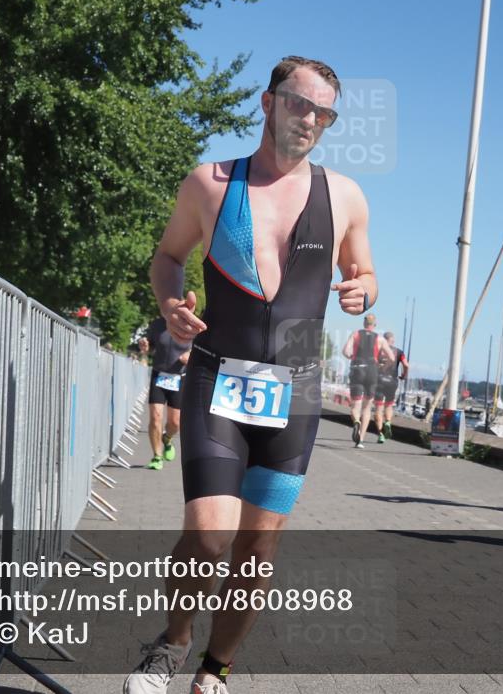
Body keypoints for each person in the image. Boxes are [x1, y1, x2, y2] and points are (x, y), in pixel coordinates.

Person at [127, 55, 377, 694]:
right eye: (299, 103)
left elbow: (364, 271)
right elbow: (167, 257)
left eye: (324, 114)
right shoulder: (209, 183)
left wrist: (364, 291)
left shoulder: (345, 196)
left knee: (257, 550)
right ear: (268, 102)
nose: (310, 120)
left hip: (297, 394)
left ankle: (217, 668)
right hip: (216, 379)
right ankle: (173, 642)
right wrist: (170, 303)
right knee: (208, 536)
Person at [144, 315, 192, 470]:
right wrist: (145, 346)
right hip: (159, 375)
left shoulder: (190, 323)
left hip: (179, 377)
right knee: (155, 417)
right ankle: (157, 456)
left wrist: (190, 354)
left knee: (175, 423)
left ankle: (167, 438)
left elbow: (201, 348)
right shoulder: (157, 324)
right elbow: (150, 347)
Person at [342, 313, 393, 448]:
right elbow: (392, 358)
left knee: (356, 405)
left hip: (357, 369)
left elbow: (345, 351)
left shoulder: (355, 334)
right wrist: (382, 367)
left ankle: (356, 421)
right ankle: (361, 440)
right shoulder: (380, 339)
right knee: (367, 407)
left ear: (364, 323)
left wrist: (351, 357)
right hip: (372, 371)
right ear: (374, 325)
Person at [373, 331, 408, 443]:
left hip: (379, 381)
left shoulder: (378, 350)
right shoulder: (399, 352)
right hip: (392, 382)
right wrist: (404, 375)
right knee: (388, 405)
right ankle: (388, 422)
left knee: (378, 408)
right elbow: (406, 365)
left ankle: (381, 434)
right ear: (393, 340)